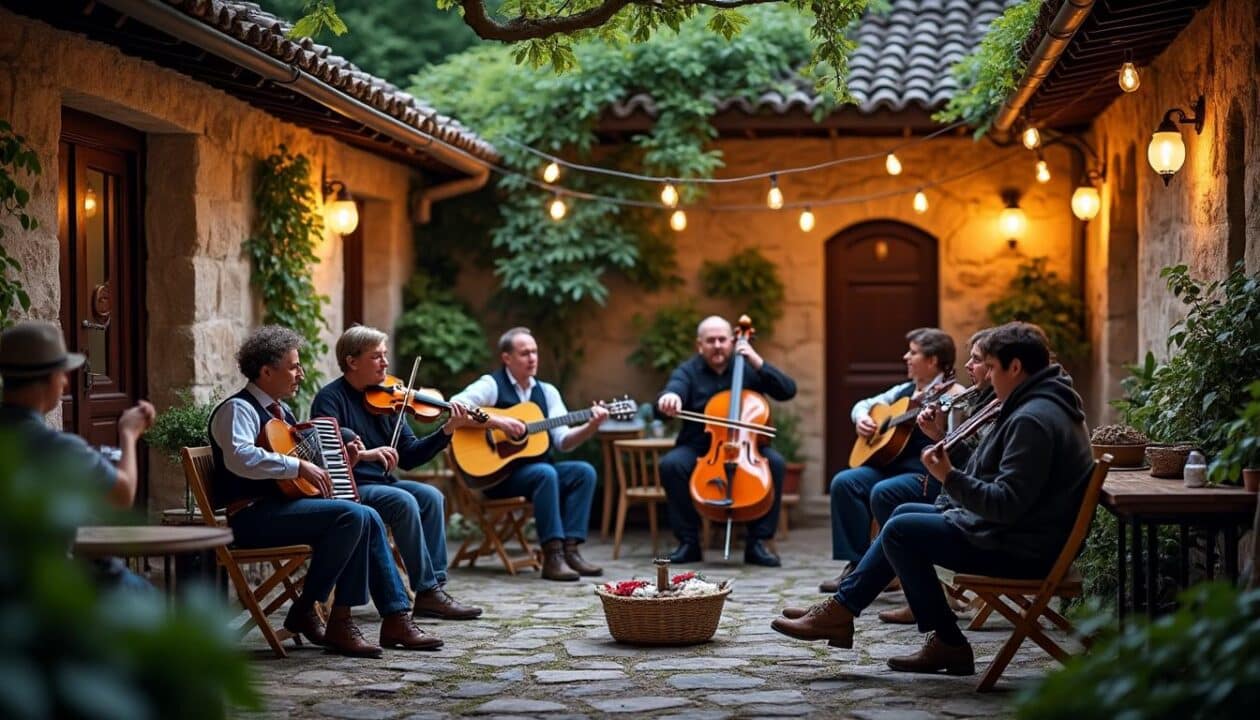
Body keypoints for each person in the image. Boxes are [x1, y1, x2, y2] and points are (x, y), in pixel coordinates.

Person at [771, 322, 1094, 676]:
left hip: (1026, 550)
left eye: (991, 366)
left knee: (902, 530)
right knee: (906, 513)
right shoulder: (1040, 404)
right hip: (1025, 535)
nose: (986, 376)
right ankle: (846, 611)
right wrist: (946, 453)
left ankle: (931, 637)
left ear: (1015, 368)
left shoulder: (1033, 418)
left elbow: (1005, 503)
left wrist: (948, 477)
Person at [209, 325, 440, 657]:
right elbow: (240, 458)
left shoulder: (282, 412)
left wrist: (347, 457)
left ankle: (392, 618)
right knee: (353, 516)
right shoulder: (238, 410)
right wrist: (298, 467)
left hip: (284, 509)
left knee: (365, 515)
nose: (300, 373)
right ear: (265, 371)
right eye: (293, 366)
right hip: (253, 516)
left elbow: (303, 458)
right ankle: (318, 614)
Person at [311, 325, 482, 620]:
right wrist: (366, 454)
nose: (386, 363)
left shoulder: (389, 400)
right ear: (352, 362)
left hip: (384, 483)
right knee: (403, 501)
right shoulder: (329, 399)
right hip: (350, 488)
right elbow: (328, 451)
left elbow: (411, 455)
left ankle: (434, 587)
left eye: (385, 355)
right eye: (376, 357)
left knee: (430, 496)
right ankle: (427, 591)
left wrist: (447, 429)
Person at [0, 320, 155, 591]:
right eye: (62, 373)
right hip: (47, 590)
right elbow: (122, 495)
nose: (66, 383)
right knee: (144, 595)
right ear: (49, 378)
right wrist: (128, 434)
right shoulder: (57, 448)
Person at [451, 327, 607, 581]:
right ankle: (552, 556)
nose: (532, 358)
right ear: (507, 358)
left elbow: (563, 441)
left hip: (537, 475)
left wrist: (591, 426)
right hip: (498, 478)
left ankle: (571, 550)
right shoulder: (491, 384)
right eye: (524, 353)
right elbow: (455, 406)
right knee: (545, 473)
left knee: (583, 472)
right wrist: (498, 422)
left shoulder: (547, 392)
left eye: (534, 352)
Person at [820, 327, 963, 592]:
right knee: (844, 482)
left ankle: (892, 567)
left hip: (925, 476)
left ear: (932, 361)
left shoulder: (953, 395)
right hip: (890, 467)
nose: (906, 356)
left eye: (913, 352)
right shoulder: (905, 389)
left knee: (883, 492)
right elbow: (863, 404)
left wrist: (938, 428)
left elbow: (957, 443)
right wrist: (862, 418)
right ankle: (858, 563)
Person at [874, 327, 997, 625]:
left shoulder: (1022, 417)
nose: (967, 367)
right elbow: (980, 464)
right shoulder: (992, 404)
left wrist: (948, 475)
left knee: (898, 517)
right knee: (890, 504)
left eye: (977, 360)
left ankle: (847, 605)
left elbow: (996, 490)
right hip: (973, 509)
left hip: (1005, 539)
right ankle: (847, 600)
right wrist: (940, 435)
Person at [655, 316, 798, 567]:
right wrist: (670, 398)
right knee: (672, 465)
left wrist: (756, 359)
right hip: (701, 446)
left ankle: (758, 543)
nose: (717, 345)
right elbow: (674, 387)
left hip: (748, 446)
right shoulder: (688, 371)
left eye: (722, 339)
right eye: (711, 341)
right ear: (700, 345)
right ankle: (689, 542)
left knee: (775, 463)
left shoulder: (749, 367)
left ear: (732, 341)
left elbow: (787, 390)